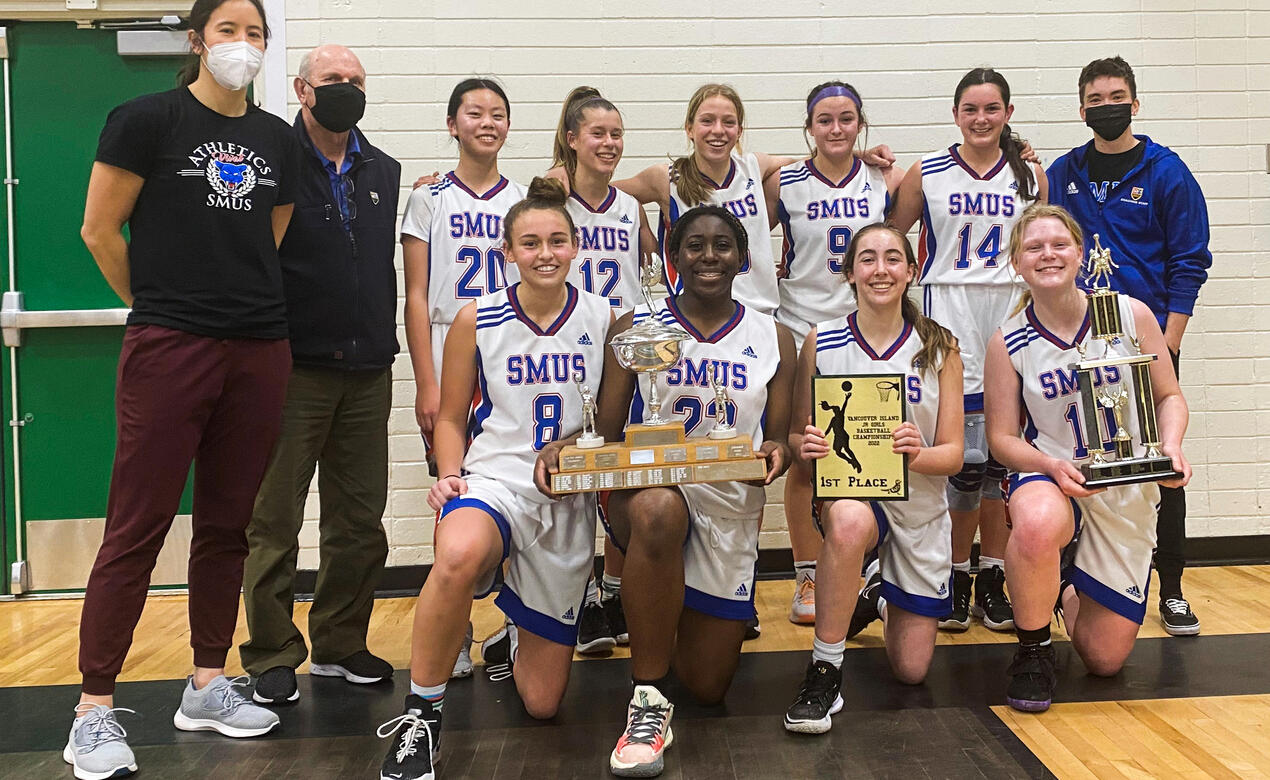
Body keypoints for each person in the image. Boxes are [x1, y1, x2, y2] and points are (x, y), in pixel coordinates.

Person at [70, 0, 297, 776]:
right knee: (137, 524)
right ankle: (93, 708)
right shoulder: (144, 119)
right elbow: (99, 230)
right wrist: (163, 306)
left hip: (261, 349)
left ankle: (206, 680)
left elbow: (267, 234)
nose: (243, 45)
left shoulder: (275, 140)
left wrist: (231, 308)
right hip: (170, 346)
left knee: (230, 525)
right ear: (197, 40)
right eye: (229, 30)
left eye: (256, 32)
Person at [537, 205, 795, 777]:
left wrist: (781, 451)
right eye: (694, 245)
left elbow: (780, 438)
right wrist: (569, 445)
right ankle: (647, 700)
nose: (708, 256)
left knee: (707, 687)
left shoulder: (774, 336)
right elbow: (604, 423)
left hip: (728, 503)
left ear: (743, 257)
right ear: (673, 257)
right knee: (657, 511)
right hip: (649, 491)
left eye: (722, 246)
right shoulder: (636, 326)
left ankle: (664, 610)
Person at [377, 178, 614, 780]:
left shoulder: (602, 317)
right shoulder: (475, 317)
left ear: (575, 246)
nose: (545, 253)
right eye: (530, 242)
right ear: (507, 251)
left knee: (542, 703)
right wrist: (450, 475)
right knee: (458, 552)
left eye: (558, 241)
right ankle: (421, 718)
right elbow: (452, 416)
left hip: (566, 502)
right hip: (496, 482)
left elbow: (609, 423)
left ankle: (510, 623)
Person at [237, 44, 402, 705]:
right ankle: (272, 652)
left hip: (367, 368)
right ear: (303, 90)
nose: (348, 89)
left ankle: (340, 642)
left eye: (357, 80)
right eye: (335, 80)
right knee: (274, 518)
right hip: (292, 368)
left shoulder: (385, 171)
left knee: (359, 520)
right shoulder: (273, 163)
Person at [984, 204, 1190, 712]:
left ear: (1081, 253)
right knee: (1034, 524)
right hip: (1053, 477)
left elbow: (1169, 396)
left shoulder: (1127, 314)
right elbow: (1002, 438)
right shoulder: (1009, 340)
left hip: (1125, 484)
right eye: (1033, 247)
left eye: (1059, 244)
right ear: (1016, 262)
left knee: (1104, 661)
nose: (1047, 254)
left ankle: (1062, 581)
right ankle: (1033, 650)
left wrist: (1171, 446)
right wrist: (1050, 467)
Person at [1046, 56, 1211, 636]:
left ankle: (1171, 589)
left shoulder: (1167, 172)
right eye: (1095, 98)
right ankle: (1071, 581)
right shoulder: (1063, 172)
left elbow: (1191, 261)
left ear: (1134, 103)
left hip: (1142, 341)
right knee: (1077, 461)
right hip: (1076, 344)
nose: (1106, 105)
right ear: (1082, 107)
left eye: (1116, 96)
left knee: (1161, 464)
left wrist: (1165, 343)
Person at [782, 224, 963, 734]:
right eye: (866, 259)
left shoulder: (941, 347)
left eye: (891, 258)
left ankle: (876, 595)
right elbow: (797, 436)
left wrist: (917, 454)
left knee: (911, 670)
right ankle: (824, 668)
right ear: (849, 272)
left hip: (921, 509)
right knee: (846, 521)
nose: (879, 269)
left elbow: (952, 456)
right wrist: (810, 447)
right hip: (856, 497)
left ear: (911, 271)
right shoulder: (823, 339)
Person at [889, 67, 1047, 634]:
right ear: (955, 114)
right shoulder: (926, 170)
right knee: (963, 460)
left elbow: (1039, 246)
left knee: (1003, 457)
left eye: (992, 109)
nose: (981, 119)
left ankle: (996, 576)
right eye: (970, 109)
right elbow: (892, 236)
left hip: (1007, 311)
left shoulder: (1030, 173)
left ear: (1007, 113)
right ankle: (956, 575)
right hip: (949, 310)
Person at [400, 78, 527, 678]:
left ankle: (514, 625)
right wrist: (427, 381)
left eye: (497, 114)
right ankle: (454, 632)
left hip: (510, 351)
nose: (487, 122)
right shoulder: (428, 198)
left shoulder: (525, 198)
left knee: (516, 482)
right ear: (452, 125)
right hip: (455, 353)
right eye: (474, 113)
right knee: (453, 489)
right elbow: (417, 295)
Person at [767, 80, 904, 625]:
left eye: (847, 119)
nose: (837, 129)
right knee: (808, 454)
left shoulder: (884, 178)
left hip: (866, 330)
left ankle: (868, 569)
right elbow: (749, 236)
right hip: (803, 324)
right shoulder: (786, 182)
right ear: (809, 127)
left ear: (860, 123)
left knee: (872, 451)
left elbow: (899, 247)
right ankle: (806, 574)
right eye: (825, 120)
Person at [548, 86, 654, 654]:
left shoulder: (630, 207)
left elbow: (652, 273)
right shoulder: (550, 200)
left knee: (619, 470)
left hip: (623, 353)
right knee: (578, 469)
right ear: (572, 140)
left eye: (616, 134)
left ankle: (613, 590)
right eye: (598, 133)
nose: (609, 144)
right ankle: (580, 593)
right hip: (567, 346)